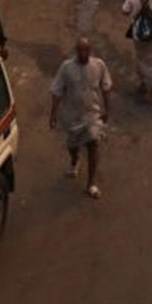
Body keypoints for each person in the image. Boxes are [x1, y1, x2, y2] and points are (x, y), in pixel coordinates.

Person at [49, 36, 113, 199]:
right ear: (76, 51)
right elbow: (57, 91)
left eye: (86, 50)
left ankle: (91, 183)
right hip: (73, 116)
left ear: (90, 51)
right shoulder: (66, 68)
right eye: (80, 50)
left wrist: (107, 109)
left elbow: (106, 87)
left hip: (92, 115)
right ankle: (74, 159)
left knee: (93, 143)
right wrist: (53, 114)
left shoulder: (98, 66)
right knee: (72, 145)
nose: (84, 53)